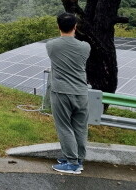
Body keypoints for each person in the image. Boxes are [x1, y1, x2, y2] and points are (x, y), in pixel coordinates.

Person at [47, 12, 91, 175]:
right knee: (80, 127)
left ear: (58, 27)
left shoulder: (51, 46)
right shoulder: (85, 47)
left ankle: (72, 163)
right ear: (75, 27)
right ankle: (77, 159)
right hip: (81, 92)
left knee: (64, 126)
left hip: (61, 92)